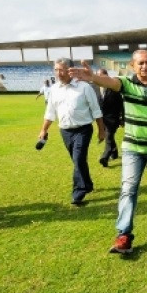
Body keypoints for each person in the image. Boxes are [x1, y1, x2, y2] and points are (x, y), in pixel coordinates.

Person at [70, 51, 147, 255]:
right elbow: (110, 82)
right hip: (132, 148)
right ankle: (124, 235)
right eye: (140, 63)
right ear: (132, 66)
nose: (144, 66)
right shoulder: (126, 83)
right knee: (128, 190)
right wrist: (93, 78)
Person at [38, 58, 105, 206]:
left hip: (83, 129)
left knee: (78, 159)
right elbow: (50, 112)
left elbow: (96, 110)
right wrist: (43, 130)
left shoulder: (84, 87)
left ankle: (78, 193)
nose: (58, 73)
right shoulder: (54, 90)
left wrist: (101, 130)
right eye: (56, 69)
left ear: (70, 70)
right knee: (78, 160)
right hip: (65, 131)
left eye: (61, 69)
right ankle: (87, 183)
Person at [96, 68, 123, 167]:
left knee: (108, 137)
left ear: (107, 76)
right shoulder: (96, 88)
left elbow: (121, 104)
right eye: (98, 76)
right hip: (102, 120)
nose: (100, 78)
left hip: (113, 119)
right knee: (110, 138)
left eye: (102, 76)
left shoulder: (114, 88)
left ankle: (105, 157)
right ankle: (114, 152)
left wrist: (122, 118)